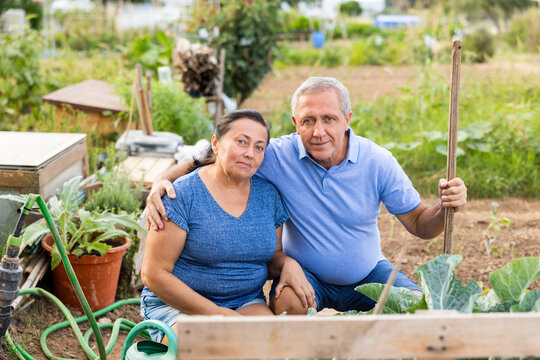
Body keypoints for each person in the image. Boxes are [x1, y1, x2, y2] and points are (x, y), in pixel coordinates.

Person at [145, 77, 467, 315]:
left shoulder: (377, 161)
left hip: (368, 272)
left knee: (420, 312)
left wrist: (444, 206)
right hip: (306, 277)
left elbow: (420, 224)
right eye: (308, 121)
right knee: (285, 307)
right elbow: (217, 155)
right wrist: (164, 179)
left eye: (329, 119)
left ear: (347, 120)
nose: (318, 131)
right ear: (296, 123)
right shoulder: (274, 154)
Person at [140, 109, 315, 344]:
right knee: (207, 346)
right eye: (241, 142)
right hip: (180, 305)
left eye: (259, 147)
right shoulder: (181, 195)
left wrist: (288, 263)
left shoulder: (268, 196)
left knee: (272, 346)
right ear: (216, 143)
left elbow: (273, 256)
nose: (249, 153)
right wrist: (218, 314)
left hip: (244, 302)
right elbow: (154, 273)